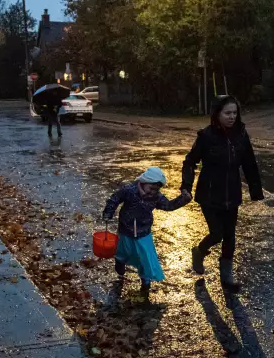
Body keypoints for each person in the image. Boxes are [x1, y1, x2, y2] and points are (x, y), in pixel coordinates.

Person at [181, 95, 264, 292]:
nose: (232, 117)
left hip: (232, 194)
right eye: (227, 113)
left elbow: (250, 163)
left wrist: (255, 191)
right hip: (209, 195)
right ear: (217, 114)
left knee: (230, 236)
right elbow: (189, 162)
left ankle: (226, 277)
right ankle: (199, 251)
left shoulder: (241, 135)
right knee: (217, 233)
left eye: (235, 113)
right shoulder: (206, 137)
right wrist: (186, 186)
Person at [102, 167, 190, 294]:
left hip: (144, 231)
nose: (153, 192)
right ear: (143, 183)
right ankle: (120, 261)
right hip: (126, 228)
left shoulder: (157, 197)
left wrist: (183, 199)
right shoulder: (129, 190)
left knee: (145, 257)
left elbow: (168, 206)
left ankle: (145, 279)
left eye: (156, 189)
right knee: (124, 251)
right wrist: (108, 213)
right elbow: (114, 199)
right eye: (151, 188)